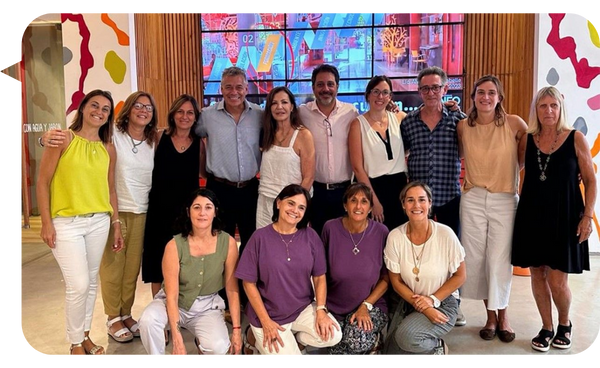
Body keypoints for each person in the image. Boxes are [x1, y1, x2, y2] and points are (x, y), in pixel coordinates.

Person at [36, 89, 120, 358]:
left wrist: (115, 224)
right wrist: (46, 223)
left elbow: (111, 190)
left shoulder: (108, 148)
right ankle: (74, 343)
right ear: (82, 108)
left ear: (109, 117)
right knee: (79, 285)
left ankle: (84, 336)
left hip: (98, 222)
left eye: (106, 109)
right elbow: (42, 182)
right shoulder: (63, 139)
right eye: (94, 105)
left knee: (91, 283)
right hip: (66, 223)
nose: (100, 111)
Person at [512, 86, 596, 352]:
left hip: (566, 215)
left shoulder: (576, 138)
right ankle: (546, 327)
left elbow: (592, 181)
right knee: (537, 274)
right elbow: (512, 167)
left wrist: (587, 216)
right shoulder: (528, 138)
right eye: (543, 106)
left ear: (560, 108)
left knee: (558, 280)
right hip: (532, 214)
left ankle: (565, 324)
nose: (548, 111)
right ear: (536, 110)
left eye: (553, 106)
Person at [456, 75, 527, 343]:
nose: (486, 97)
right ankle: (490, 317)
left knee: (500, 259)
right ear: (473, 96)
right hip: (473, 198)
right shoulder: (464, 126)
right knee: (478, 259)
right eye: (481, 92)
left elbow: (526, 157)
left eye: (491, 93)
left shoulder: (514, 123)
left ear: (499, 97)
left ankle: (504, 316)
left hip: (504, 198)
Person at [235, 184, 342, 358]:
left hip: (301, 308)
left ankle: (295, 340)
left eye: (301, 207)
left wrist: (321, 310)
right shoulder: (259, 238)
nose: (295, 211)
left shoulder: (311, 236)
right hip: (270, 315)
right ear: (278, 203)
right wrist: (265, 321)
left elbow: (319, 277)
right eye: (290, 203)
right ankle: (253, 337)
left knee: (333, 334)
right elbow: (248, 283)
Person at [138, 188, 242, 358]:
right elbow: (171, 296)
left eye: (208, 207)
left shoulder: (228, 243)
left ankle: (201, 343)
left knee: (218, 348)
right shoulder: (174, 245)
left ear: (215, 212)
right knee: (148, 320)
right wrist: (177, 338)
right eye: (196, 207)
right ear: (188, 212)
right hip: (173, 302)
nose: (202, 213)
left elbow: (232, 289)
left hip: (207, 306)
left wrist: (237, 330)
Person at [400, 66, 468, 326]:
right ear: (419, 91)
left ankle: (453, 302)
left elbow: (464, 152)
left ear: (445, 89)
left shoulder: (457, 120)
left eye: (435, 87)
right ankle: (417, 298)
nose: (430, 92)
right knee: (420, 250)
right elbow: (400, 155)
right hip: (418, 203)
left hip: (448, 194)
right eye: (425, 88)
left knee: (451, 252)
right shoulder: (409, 123)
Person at [383, 181, 466, 358]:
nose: (416, 205)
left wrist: (432, 300)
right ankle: (431, 350)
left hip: (442, 302)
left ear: (429, 203)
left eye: (422, 199)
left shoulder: (446, 234)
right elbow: (396, 282)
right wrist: (423, 306)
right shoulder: (395, 237)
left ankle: (435, 347)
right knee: (391, 351)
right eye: (410, 200)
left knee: (405, 338)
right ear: (403, 205)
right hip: (408, 301)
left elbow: (460, 276)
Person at [196, 66, 262, 257]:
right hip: (219, 189)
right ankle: (224, 287)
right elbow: (191, 140)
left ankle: (245, 286)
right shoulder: (207, 116)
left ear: (247, 89)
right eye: (228, 87)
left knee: (251, 242)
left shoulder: (259, 115)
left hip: (250, 189)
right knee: (220, 243)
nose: (234, 92)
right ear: (221, 89)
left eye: (239, 87)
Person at [142, 94, 202, 297]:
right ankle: (160, 311)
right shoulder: (159, 138)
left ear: (195, 117)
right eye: (180, 111)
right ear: (173, 114)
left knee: (184, 262)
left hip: (185, 214)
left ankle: (181, 310)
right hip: (159, 211)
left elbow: (203, 173)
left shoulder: (200, 144)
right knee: (157, 264)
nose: (185, 116)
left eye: (190, 112)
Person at [321, 183, 390, 357]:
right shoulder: (330, 228)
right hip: (335, 307)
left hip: (372, 305)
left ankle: (370, 341)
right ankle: (369, 348)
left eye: (364, 201)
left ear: (370, 208)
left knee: (355, 339)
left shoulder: (381, 232)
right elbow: (320, 272)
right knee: (333, 337)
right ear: (345, 205)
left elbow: (387, 278)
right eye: (353, 201)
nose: (358, 206)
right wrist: (321, 308)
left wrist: (366, 306)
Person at [298, 64, 359, 236]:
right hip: (315, 191)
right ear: (313, 87)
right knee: (316, 238)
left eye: (330, 84)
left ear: (337, 87)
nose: (326, 89)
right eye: (320, 84)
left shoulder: (351, 112)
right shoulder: (302, 113)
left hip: (345, 190)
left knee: (344, 239)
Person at [349, 75, 408, 231]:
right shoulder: (357, 124)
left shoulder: (400, 118)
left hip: (399, 187)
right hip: (373, 188)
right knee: (376, 237)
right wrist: (373, 201)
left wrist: (451, 107)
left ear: (390, 97)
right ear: (368, 95)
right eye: (375, 92)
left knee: (399, 239)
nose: (380, 96)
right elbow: (357, 168)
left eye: (385, 92)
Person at [256, 86, 315, 229]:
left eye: (284, 102)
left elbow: (309, 176)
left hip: (292, 206)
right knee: (267, 247)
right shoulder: (266, 133)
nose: (279, 107)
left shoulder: (303, 135)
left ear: (292, 107)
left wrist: (293, 204)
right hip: (266, 202)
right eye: (274, 103)